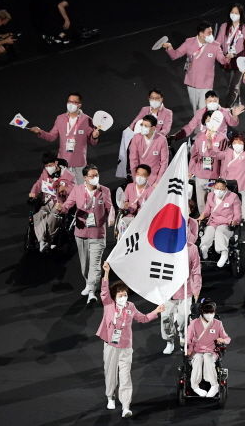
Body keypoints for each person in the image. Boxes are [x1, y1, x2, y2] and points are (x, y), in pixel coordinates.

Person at [97, 262, 164, 418]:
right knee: (111, 374)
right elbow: (104, 291)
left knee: (125, 377)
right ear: (114, 297)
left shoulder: (131, 307)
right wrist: (106, 273)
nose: (123, 297)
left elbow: (143, 318)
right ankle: (110, 397)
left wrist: (156, 311)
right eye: (120, 295)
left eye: (125, 294)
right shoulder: (108, 305)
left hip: (126, 347)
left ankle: (126, 406)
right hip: (111, 346)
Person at [59, 165, 113, 303]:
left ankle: (92, 290)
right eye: (92, 176)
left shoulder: (105, 191)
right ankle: (89, 285)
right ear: (85, 178)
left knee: (95, 265)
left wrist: (112, 216)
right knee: (85, 265)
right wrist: (62, 208)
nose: (95, 178)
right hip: (81, 232)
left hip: (98, 233)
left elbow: (110, 208)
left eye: (97, 175)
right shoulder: (77, 190)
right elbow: (68, 204)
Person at [29, 92, 100, 184]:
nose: (71, 104)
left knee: (79, 192)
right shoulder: (60, 118)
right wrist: (40, 132)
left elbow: (93, 142)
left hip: (79, 163)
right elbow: (51, 137)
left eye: (74, 102)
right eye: (69, 101)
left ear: (79, 105)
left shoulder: (87, 120)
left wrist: (94, 137)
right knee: (64, 192)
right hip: (62, 162)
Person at [162, 22, 228, 111]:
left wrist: (228, 58)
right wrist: (169, 47)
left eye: (211, 32)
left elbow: (222, 60)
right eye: (209, 33)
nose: (211, 35)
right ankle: (197, 124)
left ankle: (204, 124)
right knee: (195, 109)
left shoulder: (215, 45)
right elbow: (175, 55)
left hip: (206, 83)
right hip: (192, 82)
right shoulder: (189, 42)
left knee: (203, 108)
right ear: (201, 34)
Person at [161, 218, 201, 355]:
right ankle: (169, 341)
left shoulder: (192, 249)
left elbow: (196, 271)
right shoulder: (163, 247)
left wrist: (196, 290)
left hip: (186, 291)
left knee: (184, 317)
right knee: (166, 318)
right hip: (168, 291)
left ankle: (183, 335)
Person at [28, 152, 76, 252]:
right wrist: (33, 192)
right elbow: (38, 183)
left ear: (56, 162)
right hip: (47, 201)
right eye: (46, 166)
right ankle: (42, 241)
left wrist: (66, 189)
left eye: (50, 165)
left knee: (51, 218)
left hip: (60, 203)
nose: (48, 168)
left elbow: (75, 190)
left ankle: (48, 240)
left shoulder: (68, 175)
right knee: (39, 216)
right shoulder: (45, 173)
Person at [217, 133, 245, 243]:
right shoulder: (228, 153)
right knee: (232, 213)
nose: (237, 144)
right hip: (230, 187)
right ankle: (234, 233)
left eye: (240, 142)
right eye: (235, 142)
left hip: (244, 187)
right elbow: (222, 166)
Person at [186, 300, 231, 398]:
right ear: (202, 312)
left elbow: (228, 339)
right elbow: (188, 339)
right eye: (207, 312)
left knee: (207, 357)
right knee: (198, 358)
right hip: (196, 351)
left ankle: (214, 385)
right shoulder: (194, 323)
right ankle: (195, 386)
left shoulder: (218, 323)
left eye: (212, 312)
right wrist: (189, 348)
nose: (209, 315)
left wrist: (222, 340)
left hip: (211, 351)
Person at [189, 110, 228, 213]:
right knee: (201, 203)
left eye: (213, 120)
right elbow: (194, 155)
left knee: (214, 202)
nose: (211, 123)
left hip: (214, 176)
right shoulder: (199, 137)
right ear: (204, 122)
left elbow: (224, 158)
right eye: (208, 120)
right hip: (200, 174)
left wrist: (222, 176)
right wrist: (191, 170)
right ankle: (203, 222)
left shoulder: (222, 138)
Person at [197, 179, 242, 268]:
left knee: (219, 231)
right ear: (214, 187)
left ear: (225, 188)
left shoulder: (233, 196)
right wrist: (202, 216)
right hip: (213, 222)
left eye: (221, 188)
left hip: (227, 223)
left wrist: (235, 221)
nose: (219, 190)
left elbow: (238, 214)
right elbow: (207, 211)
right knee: (209, 230)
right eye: (217, 188)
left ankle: (224, 253)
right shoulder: (210, 195)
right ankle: (204, 248)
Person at [216, 3, 245, 106]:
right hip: (227, 59)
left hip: (240, 59)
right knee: (229, 84)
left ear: (241, 14)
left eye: (236, 13)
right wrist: (219, 52)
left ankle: (228, 107)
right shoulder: (224, 26)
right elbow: (218, 41)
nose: (234, 15)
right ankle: (236, 101)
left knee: (234, 85)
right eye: (232, 12)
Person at [174, 90, 243, 140]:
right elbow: (189, 127)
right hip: (203, 141)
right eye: (210, 101)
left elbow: (233, 123)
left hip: (220, 142)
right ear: (205, 101)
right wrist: (176, 136)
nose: (212, 103)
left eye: (215, 101)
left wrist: (234, 115)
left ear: (218, 100)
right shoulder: (199, 113)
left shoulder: (225, 111)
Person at [127, 115, 169, 185]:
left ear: (153, 128)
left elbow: (164, 163)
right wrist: (135, 179)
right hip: (140, 178)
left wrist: (158, 182)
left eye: (146, 126)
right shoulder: (136, 138)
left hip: (155, 178)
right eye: (142, 125)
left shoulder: (162, 140)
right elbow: (133, 160)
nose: (143, 128)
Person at [117, 165, 153, 237]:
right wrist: (125, 204)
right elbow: (125, 200)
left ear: (148, 176)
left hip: (142, 217)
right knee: (122, 222)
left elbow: (151, 206)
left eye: (143, 175)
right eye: (138, 174)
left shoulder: (151, 190)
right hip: (129, 215)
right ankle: (122, 241)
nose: (139, 177)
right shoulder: (130, 186)